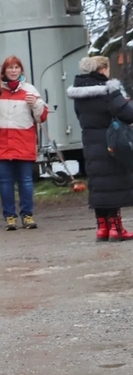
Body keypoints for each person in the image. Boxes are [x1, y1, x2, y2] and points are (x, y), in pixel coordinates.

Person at [67, 55, 133, 241]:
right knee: (113, 183)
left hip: (90, 141)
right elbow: (127, 113)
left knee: (98, 184)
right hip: (111, 141)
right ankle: (116, 229)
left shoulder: (79, 93)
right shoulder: (109, 90)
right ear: (103, 70)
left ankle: (102, 228)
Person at [0, 56, 48, 230]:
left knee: (26, 181)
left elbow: (41, 117)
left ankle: (27, 215)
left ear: (21, 70)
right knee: (5, 182)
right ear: (4, 71)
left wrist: (36, 104)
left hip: (23, 142)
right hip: (1, 142)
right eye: (10, 68)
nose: (13, 71)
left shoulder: (30, 90)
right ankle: (10, 217)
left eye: (16, 67)